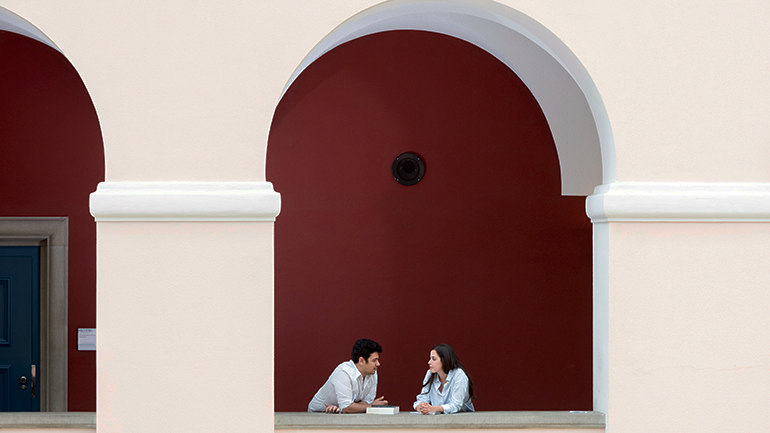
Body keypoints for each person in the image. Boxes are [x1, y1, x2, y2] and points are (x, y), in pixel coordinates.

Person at [308, 338, 389, 413]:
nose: (378, 364)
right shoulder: (344, 372)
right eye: (374, 360)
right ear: (361, 361)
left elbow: (365, 403)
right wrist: (372, 406)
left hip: (338, 413)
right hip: (317, 414)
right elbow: (346, 408)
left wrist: (353, 407)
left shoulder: (372, 372)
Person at [413, 343, 475, 414]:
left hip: (462, 420)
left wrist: (434, 408)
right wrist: (421, 407)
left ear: (444, 360)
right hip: (438, 420)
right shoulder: (430, 374)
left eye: (434, 359)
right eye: (430, 358)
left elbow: (456, 405)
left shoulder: (459, 374)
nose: (429, 362)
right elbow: (422, 398)